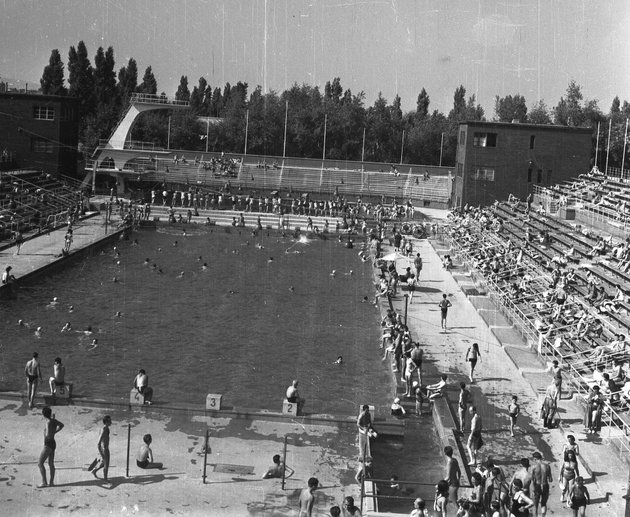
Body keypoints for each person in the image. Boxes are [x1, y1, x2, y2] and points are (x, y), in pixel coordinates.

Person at [38, 406, 64, 487]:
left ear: (44, 415)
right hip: (53, 443)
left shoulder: (48, 422)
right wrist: (55, 432)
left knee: (40, 463)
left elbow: (47, 435)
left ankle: (44, 482)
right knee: (51, 463)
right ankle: (51, 482)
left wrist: (47, 432)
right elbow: (62, 425)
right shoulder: (53, 421)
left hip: (48, 444)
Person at [531, 452, 552, 517]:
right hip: (545, 485)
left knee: (535, 505)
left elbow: (532, 480)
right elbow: (551, 479)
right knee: (543, 503)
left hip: (537, 486)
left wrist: (533, 488)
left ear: (535, 459)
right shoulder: (547, 466)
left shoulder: (533, 467)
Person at [92, 415, 112, 483]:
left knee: (104, 463)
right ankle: (105, 479)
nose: (111, 422)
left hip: (104, 448)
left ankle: (94, 471)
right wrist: (101, 452)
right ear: (106, 422)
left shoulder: (105, 429)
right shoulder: (104, 430)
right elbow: (98, 442)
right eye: (109, 421)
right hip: (105, 449)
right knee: (106, 464)